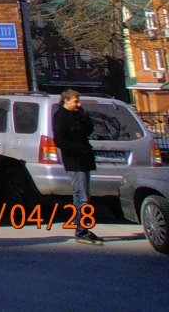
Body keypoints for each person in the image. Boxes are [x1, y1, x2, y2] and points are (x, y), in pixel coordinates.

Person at [53, 88, 103, 245]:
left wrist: (84, 116)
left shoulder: (76, 115)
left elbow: (88, 131)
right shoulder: (60, 116)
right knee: (83, 197)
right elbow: (59, 141)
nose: (78, 104)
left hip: (85, 159)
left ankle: (77, 223)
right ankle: (82, 231)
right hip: (74, 161)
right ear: (66, 100)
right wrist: (78, 149)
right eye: (76, 101)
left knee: (78, 195)